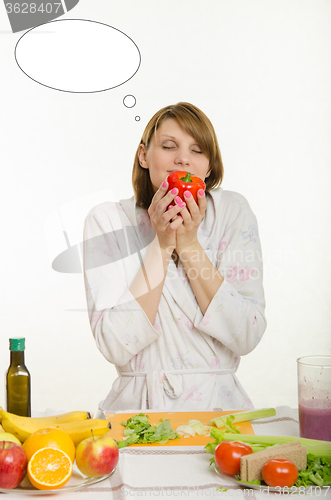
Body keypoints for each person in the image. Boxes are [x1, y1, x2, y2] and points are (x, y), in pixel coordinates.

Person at [83, 102, 266, 412]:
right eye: (169, 146)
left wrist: (189, 244)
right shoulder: (108, 221)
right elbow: (115, 344)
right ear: (143, 155)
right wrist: (163, 242)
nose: (183, 158)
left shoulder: (232, 213)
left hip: (219, 411)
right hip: (136, 412)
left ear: (208, 167)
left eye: (198, 150)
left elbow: (247, 334)